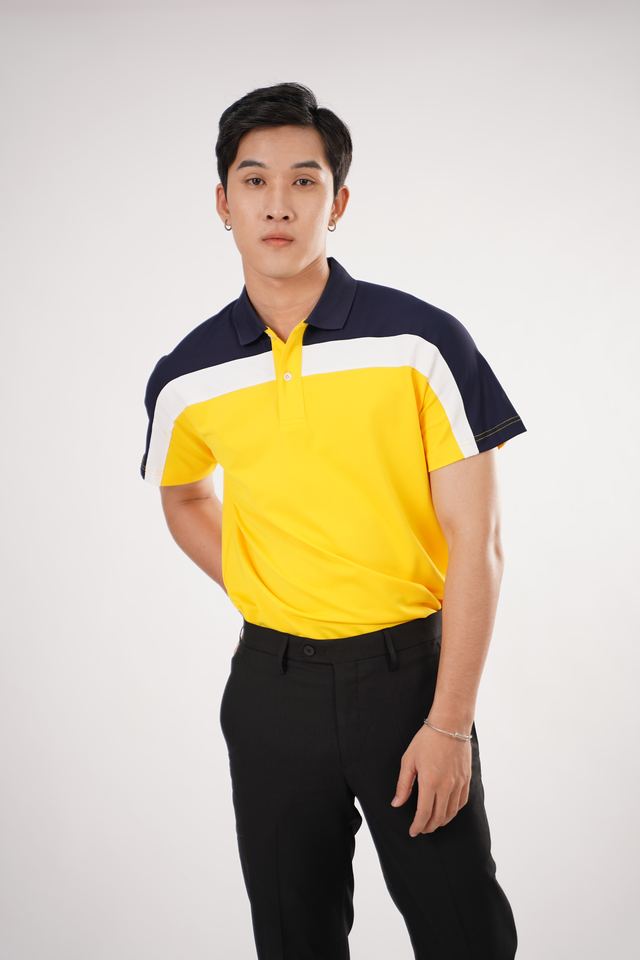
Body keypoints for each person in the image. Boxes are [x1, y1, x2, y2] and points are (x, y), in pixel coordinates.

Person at [140, 81, 525, 960]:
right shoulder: (187, 373)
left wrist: (449, 723)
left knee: (465, 936)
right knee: (294, 939)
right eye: (254, 181)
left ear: (338, 202)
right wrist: (259, 577)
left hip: (410, 683)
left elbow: (480, 542)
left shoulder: (421, 342)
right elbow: (182, 494)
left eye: (304, 181)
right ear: (222, 202)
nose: (277, 204)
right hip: (270, 690)